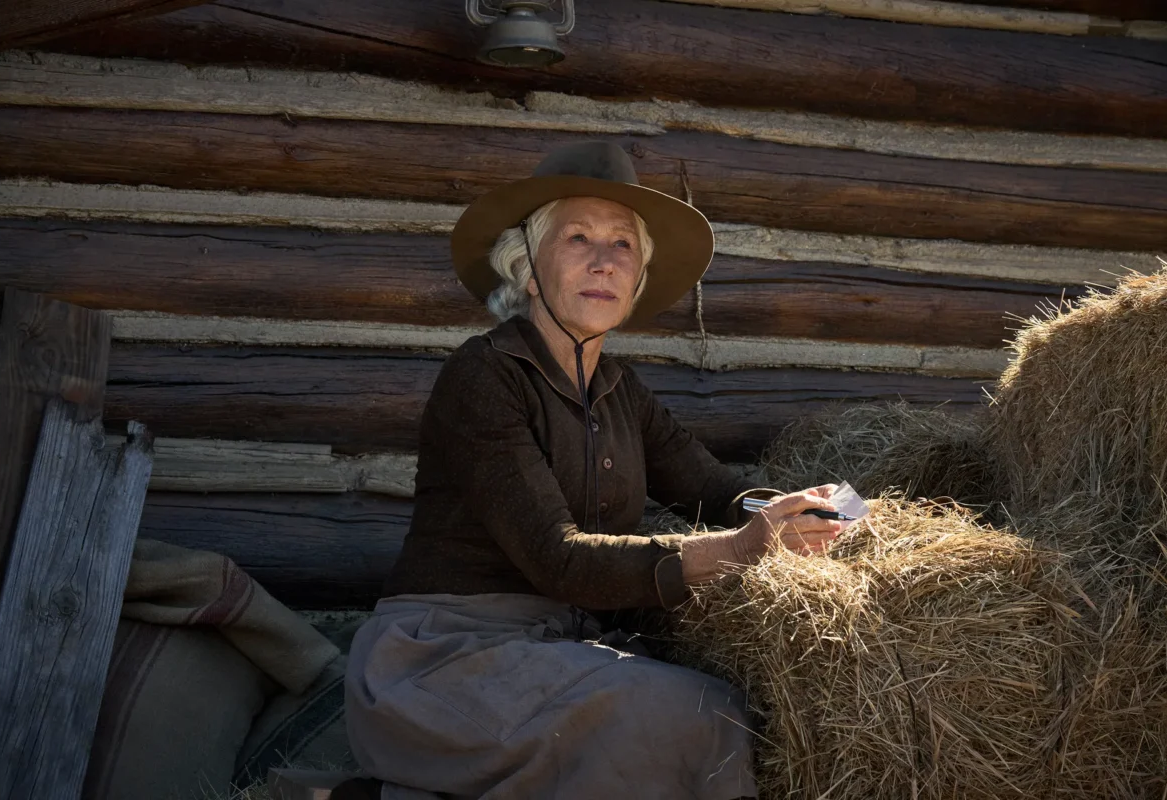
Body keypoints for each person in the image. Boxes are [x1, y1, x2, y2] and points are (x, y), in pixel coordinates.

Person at [343, 142, 842, 800]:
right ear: (527, 268)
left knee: (711, 708)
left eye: (622, 246)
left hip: (558, 654)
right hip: (446, 661)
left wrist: (816, 514)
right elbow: (558, 559)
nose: (604, 261)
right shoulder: (485, 376)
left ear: (635, 281)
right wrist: (742, 548)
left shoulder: (618, 389)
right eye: (578, 237)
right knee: (689, 713)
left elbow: (715, 491)